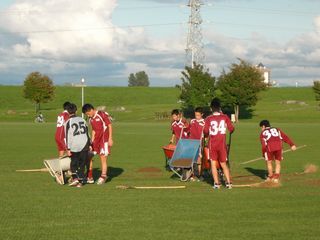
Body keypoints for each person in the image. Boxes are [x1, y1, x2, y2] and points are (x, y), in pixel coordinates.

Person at [203, 98, 234, 189]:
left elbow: (205, 131)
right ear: (219, 107)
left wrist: (206, 134)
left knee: (213, 164)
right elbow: (231, 129)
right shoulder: (225, 117)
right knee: (223, 163)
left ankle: (217, 183)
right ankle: (228, 183)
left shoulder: (208, 118)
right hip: (222, 144)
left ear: (212, 108)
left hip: (213, 144)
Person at [82, 104, 113, 185]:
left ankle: (103, 176)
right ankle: (90, 176)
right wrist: (91, 141)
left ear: (91, 110)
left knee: (103, 157)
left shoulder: (102, 114)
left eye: (88, 113)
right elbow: (94, 130)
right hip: (96, 140)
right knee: (89, 156)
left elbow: (109, 125)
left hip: (104, 139)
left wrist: (110, 138)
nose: (88, 115)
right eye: (87, 114)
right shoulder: (90, 119)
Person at [65, 103, 91, 188]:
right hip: (84, 144)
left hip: (75, 145)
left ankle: (75, 179)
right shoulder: (82, 119)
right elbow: (87, 132)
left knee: (74, 163)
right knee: (82, 164)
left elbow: (68, 136)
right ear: (76, 111)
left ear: (67, 112)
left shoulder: (68, 122)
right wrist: (90, 144)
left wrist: (68, 148)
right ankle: (80, 182)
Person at [189, 107, 205, 179]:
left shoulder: (204, 122)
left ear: (202, 114)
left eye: (198, 115)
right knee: (192, 159)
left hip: (200, 143)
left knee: (199, 160)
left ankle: (200, 174)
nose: (197, 117)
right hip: (192, 143)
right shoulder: (192, 121)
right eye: (196, 115)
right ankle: (193, 174)